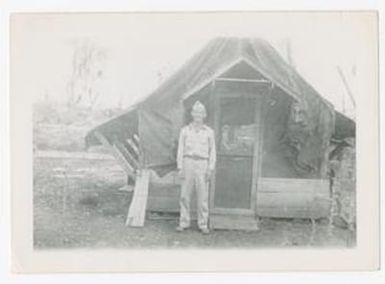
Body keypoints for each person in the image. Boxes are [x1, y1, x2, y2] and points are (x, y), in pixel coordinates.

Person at [175, 101, 216, 234]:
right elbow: (180, 149)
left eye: (201, 112)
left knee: (202, 196)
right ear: (192, 114)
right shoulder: (185, 131)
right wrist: (180, 167)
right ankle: (184, 222)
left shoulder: (209, 132)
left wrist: (210, 169)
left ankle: (203, 224)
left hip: (202, 164)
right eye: (195, 112)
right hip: (188, 162)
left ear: (204, 115)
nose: (198, 114)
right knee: (185, 195)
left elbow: (212, 151)